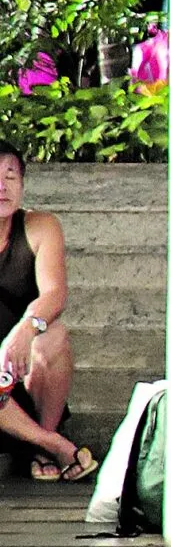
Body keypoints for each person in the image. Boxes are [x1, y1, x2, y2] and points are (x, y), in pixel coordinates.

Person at [0, 145, 89, 482]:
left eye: (10, 176)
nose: (2, 187)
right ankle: (52, 445)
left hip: (22, 379)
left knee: (53, 336)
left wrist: (25, 330)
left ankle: (41, 442)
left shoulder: (41, 226)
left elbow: (55, 293)